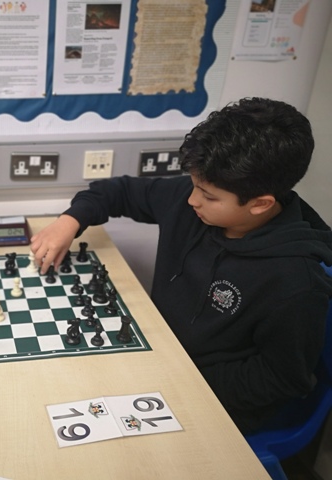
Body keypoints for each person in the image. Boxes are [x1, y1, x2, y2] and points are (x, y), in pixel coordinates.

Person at [31, 97, 332, 433]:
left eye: (208, 196)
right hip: (156, 356)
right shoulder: (197, 198)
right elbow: (118, 192)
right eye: (193, 185)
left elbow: (281, 379)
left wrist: (182, 377)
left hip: (215, 404)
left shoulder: (296, 281)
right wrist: (70, 221)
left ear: (260, 204)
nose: (191, 200)